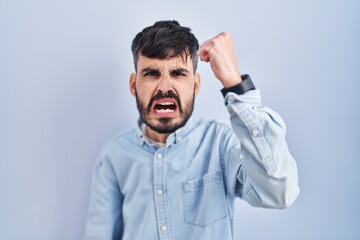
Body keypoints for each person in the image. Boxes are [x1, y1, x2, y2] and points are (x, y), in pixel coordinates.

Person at [83, 20, 299, 240]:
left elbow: (278, 193)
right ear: (133, 85)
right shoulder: (113, 156)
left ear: (196, 85)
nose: (164, 87)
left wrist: (235, 84)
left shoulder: (221, 143)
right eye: (151, 74)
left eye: (178, 73)